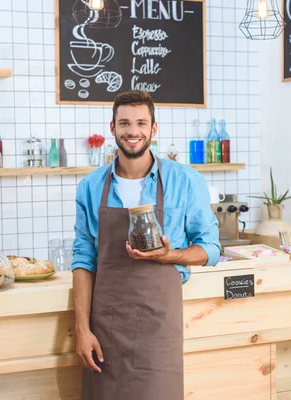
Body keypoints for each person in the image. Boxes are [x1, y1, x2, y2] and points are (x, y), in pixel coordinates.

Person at [72, 90, 220, 400]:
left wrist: (171, 256)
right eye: (124, 123)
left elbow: (210, 248)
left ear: (154, 129)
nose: (133, 131)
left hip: (159, 328)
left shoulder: (185, 180)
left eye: (141, 123)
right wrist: (82, 331)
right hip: (106, 327)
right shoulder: (90, 186)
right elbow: (84, 259)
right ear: (113, 128)